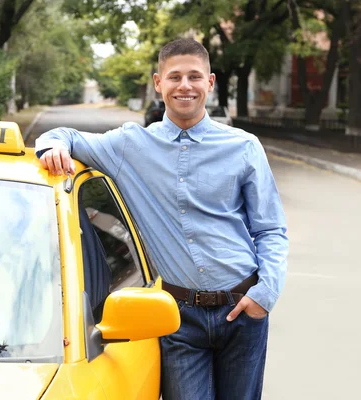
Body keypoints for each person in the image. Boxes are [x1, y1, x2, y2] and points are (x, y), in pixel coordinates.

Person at [35, 38, 288, 400]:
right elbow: (63, 136)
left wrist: (264, 294)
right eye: (175, 77)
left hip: (242, 311)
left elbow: (271, 228)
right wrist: (53, 147)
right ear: (159, 83)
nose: (185, 86)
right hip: (176, 319)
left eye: (194, 77)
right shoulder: (129, 146)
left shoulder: (243, 147)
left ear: (210, 83)